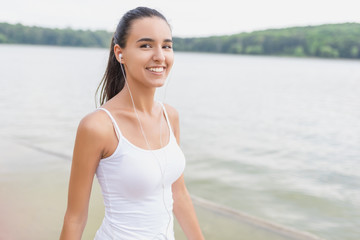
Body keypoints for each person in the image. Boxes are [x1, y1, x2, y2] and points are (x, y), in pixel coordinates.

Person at [59, 6, 205, 240]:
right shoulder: (98, 127)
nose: (160, 56)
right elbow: (75, 217)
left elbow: (178, 193)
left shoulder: (171, 116)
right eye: (146, 45)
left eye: (166, 45)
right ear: (120, 53)